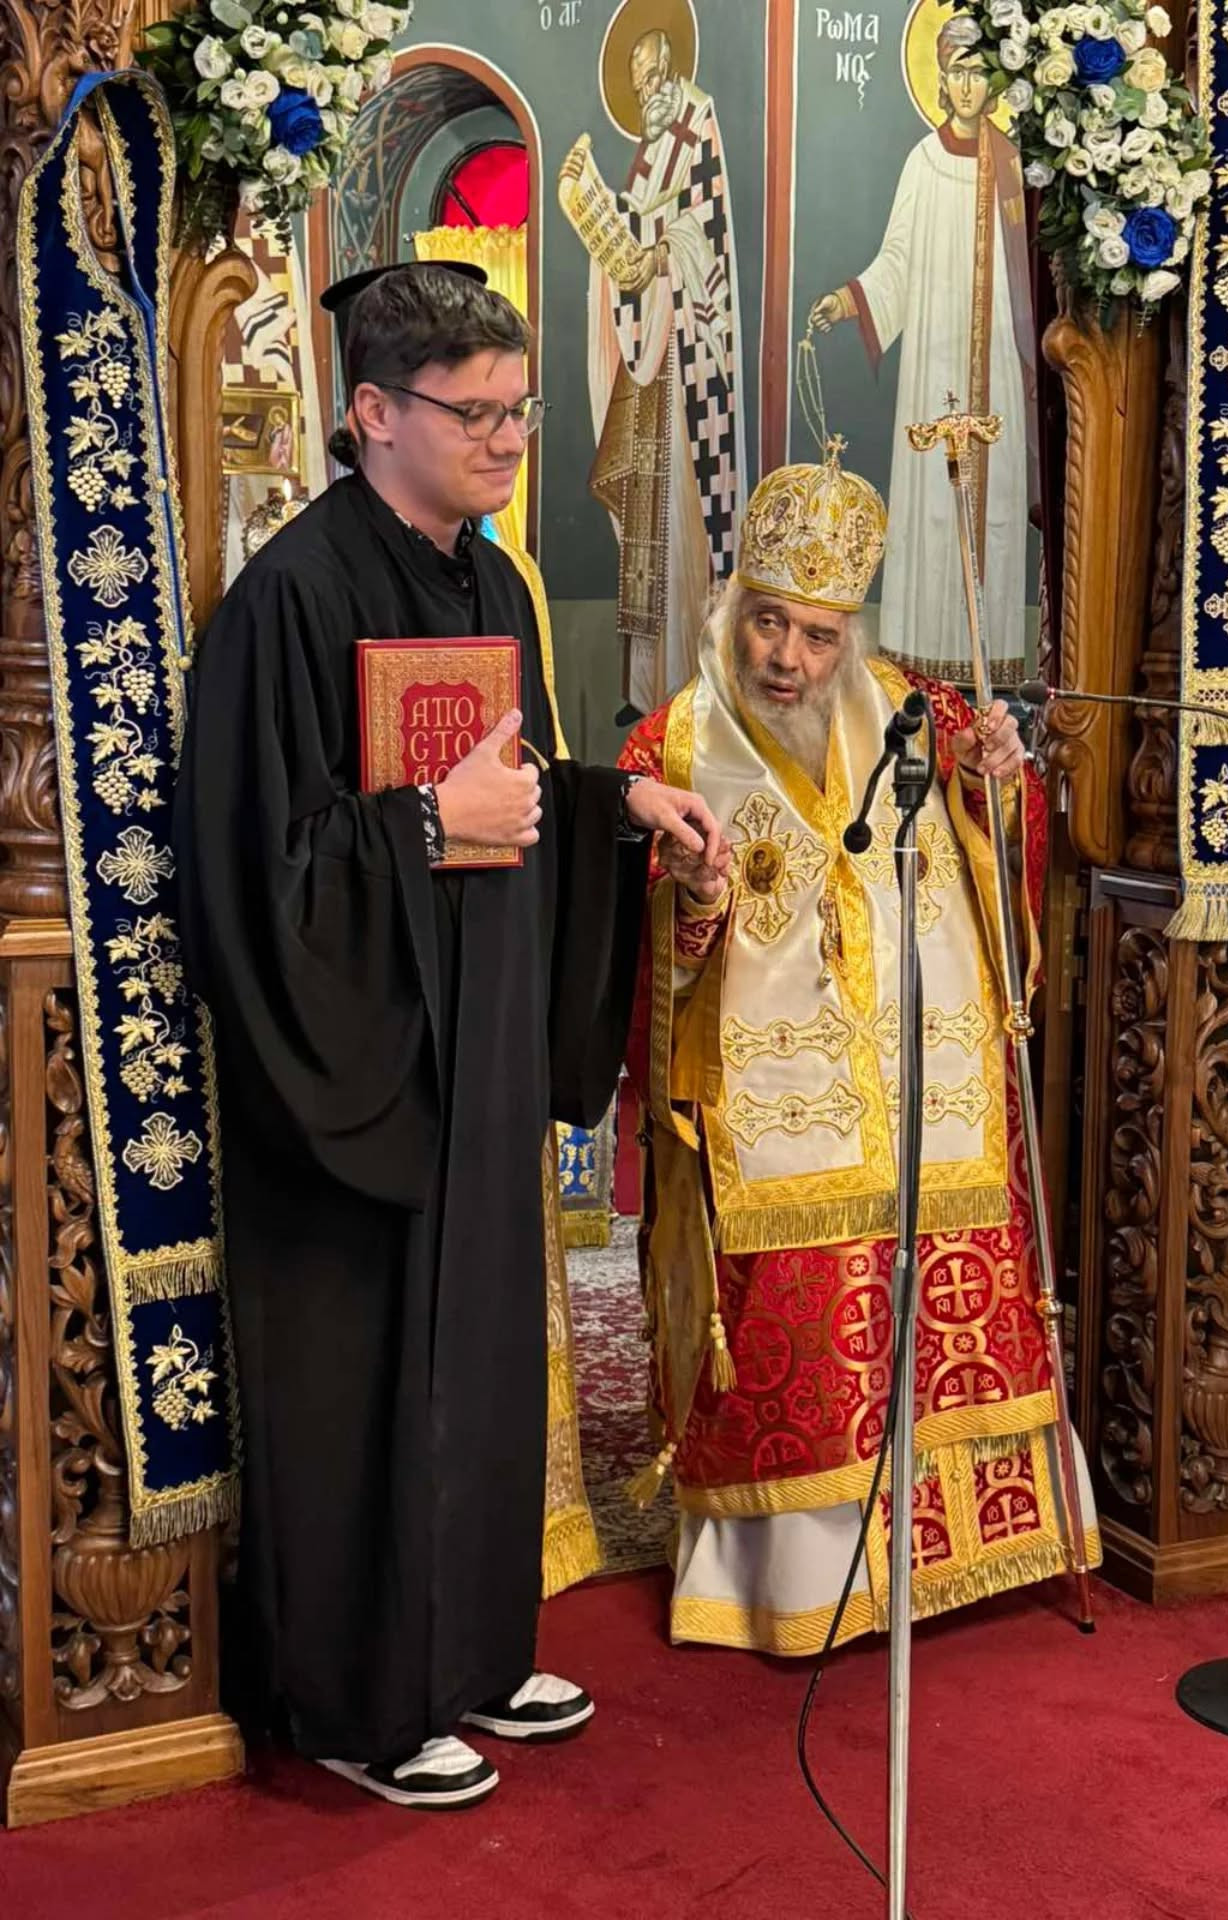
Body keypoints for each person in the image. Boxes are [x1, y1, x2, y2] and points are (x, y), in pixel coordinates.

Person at [175, 261, 727, 1807]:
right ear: (372, 411)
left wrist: (619, 804)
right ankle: (355, 1705)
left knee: (480, 1357)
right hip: (349, 1072)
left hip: (474, 1045)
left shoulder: (494, 586)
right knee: (361, 1387)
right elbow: (251, 868)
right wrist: (424, 823)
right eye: (474, 413)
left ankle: (473, 1655)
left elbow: (516, 793)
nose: (507, 441)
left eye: (518, 410)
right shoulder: (289, 599)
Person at [619, 443, 1098, 1655]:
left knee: (943, 1300)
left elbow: (1009, 870)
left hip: (927, 1093)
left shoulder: (927, 719)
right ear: (735, 607)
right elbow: (636, 957)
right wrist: (693, 897)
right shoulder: (667, 752)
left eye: (818, 635)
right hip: (771, 1115)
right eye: (769, 622)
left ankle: (967, 1555)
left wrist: (997, 789)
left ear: (852, 636)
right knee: (799, 1327)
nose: (788, 656)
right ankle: (796, 1584)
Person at [809, 20, 1034, 678]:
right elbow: (897, 262)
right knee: (931, 503)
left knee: (993, 509)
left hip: (996, 364)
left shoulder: (1012, 165)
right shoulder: (923, 162)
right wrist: (847, 301)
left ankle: (989, 672)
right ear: (940, 79)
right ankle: (922, 668)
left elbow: (1028, 271)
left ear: (994, 83)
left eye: (978, 72)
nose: (967, 85)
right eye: (956, 71)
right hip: (934, 364)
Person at [560, 25, 746, 711]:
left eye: (650, 80)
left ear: (670, 69)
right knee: (644, 516)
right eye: (636, 87)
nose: (645, 95)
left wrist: (659, 254)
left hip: (688, 361)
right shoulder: (651, 150)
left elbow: (705, 230)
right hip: (646, 353)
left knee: (682, 520)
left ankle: (689, 682)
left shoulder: (697, 127)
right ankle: (646, 689)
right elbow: (635, 232)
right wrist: (596, 208)